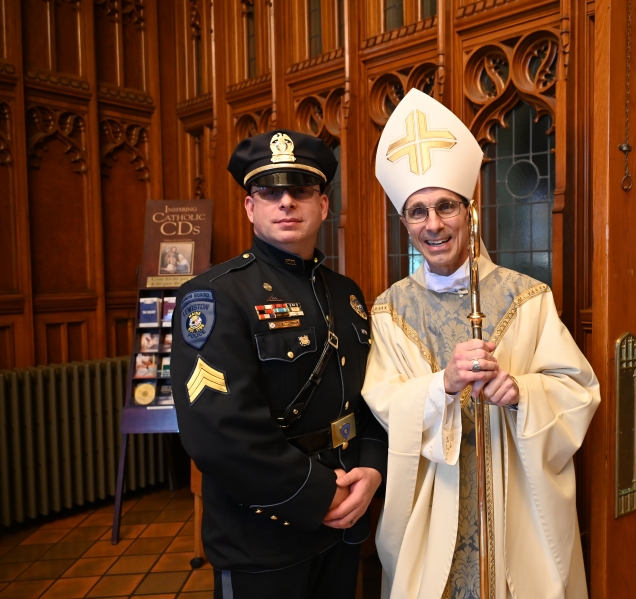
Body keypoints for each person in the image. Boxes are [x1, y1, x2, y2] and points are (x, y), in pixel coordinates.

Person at [362, 89, 600, 598]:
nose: (433, 224)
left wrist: (521, 393)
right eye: (418, 212)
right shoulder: (389, 310)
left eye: (446, 207)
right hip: (431, 504)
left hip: (517, 508)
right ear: (405, 225)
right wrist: (439, 387)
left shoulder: (528, 297)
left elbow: (579, 390)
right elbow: (382, 402)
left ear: (468, 214)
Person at [170, 129, 387, 599]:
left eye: (301, 190)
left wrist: (371, 469)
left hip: (345, 514)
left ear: (323, 205)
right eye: (270, 191)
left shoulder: (346, 294)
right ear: (251, 208)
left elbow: (370, 398)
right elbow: (218, 432)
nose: (286, 202)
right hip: (263, 532)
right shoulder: (214, 296)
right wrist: (316, 494)